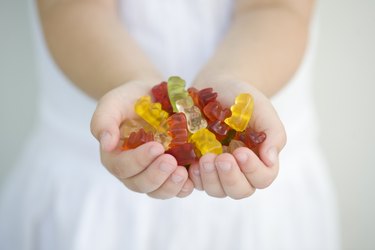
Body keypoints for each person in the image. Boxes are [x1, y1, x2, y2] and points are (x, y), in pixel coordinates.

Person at [0, 0, 339, 249]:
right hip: (86, 191)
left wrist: (233, 78)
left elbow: (278, 8)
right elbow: (70, 9)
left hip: (265, 215)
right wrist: (131, 80)